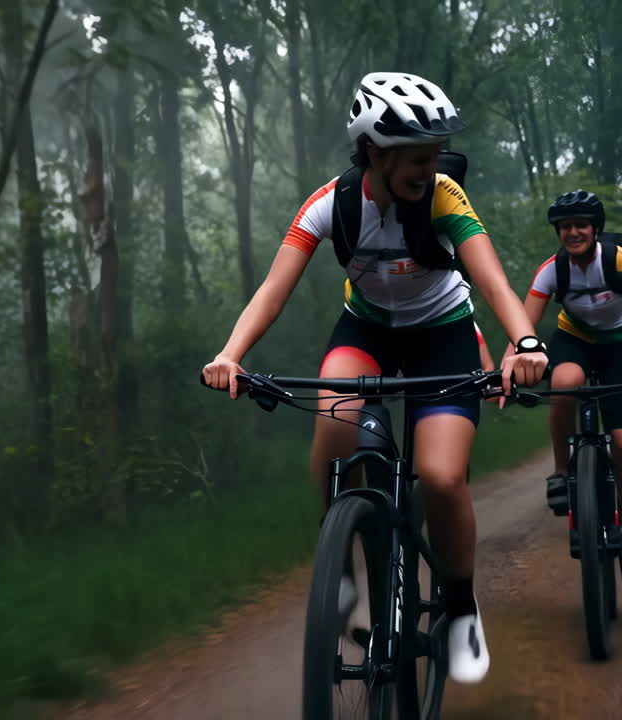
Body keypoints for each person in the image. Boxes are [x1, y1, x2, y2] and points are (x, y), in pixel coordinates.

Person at [201, 72, 548, 684]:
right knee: (334, 420)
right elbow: (271, 293)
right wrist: (230, 353)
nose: (430, 167)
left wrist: (523, 342)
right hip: (368, 330)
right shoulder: (329, 205)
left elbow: (490, 278)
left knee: (442, 478)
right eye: (416, 157)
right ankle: (339, 569)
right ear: (373, 153)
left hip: (444, 332)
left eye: (435, 154)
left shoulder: (444, 195)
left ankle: (463, 608)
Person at [501, 190, 622, 593]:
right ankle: (561, 470)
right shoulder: (552, 269)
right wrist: (509, 368)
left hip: (620, 344)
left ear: (596, 229)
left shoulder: (620, 261)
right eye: (565, 227)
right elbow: (523, 326)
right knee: (565, 383)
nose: (573, 233)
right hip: (574, 339)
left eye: (580, 225)